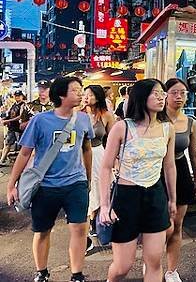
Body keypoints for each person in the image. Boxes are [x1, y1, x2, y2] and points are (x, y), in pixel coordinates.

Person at [6, 77, 93, 282]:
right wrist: (12, 184)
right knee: (42, 230)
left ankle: (77, 274)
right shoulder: (41, 120)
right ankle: (42, 272)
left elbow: (87, 149)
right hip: (45, 185)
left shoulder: (83, 119)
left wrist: (87, 179)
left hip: (75, 183)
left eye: (81, 90)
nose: (81, 94)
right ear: (61, 95)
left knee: (80, 228)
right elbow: (25, 153)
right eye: (75, 90)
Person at [98, 79, 177, 282]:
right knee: (123, 266)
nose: (162, 97)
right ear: (141, 97)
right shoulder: (122, 127)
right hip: (126, 197)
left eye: (163, 93)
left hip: (155, 195)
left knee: (154, 261)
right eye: (156, 93)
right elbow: (106, 167)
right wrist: (105, 205)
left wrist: (172, 200)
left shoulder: (168, 128)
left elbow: (169, 165)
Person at [164, 78, 196, 282]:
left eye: (183, 93)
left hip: (181, 171)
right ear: (165, 95)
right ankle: (151, 262)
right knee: (161, 226)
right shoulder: (156, 119)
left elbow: (194, 154)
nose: (179, 96)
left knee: (177, 224)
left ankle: (171, 270)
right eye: (174, 92)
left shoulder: (190, 122)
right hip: (156, 174)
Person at [82, 85, 116, 250]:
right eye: (85, 94)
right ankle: (87, 229)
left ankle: (97, 224)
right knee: (87, 190)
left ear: (98, 97)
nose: (86, 97)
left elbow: (113, 141)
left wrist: (115, 162)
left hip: (100, 155)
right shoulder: (79, 115)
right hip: (80, 157)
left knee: (100, 189)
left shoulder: (106, 115)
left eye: (90, 94)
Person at [0, 90, 27, 165]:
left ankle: (20, 162)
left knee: (20, 145)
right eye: (16, 95)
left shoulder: (23, 105)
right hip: (12, 128)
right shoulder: (14, 104)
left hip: (19, 128)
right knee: (8, 143)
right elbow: (9, 115)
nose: (17, 97)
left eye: (19, 95)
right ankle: (2, 160)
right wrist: (4, 119)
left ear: (22, 96)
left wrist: (8, 120)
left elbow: (20, 117)